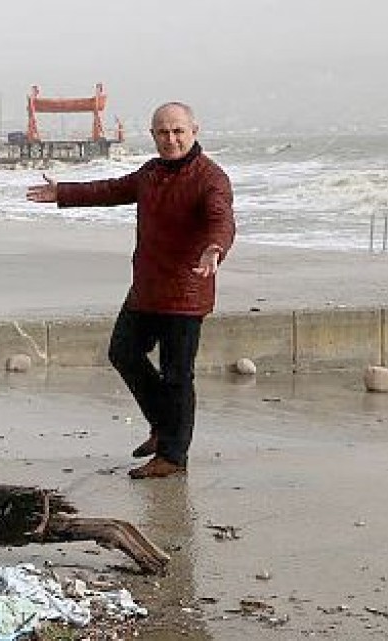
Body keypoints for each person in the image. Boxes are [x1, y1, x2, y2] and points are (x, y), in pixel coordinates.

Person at [25, 102, 235, 479]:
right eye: (162, 132)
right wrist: (63, 193)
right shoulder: (151, 173)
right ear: (153, 135)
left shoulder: (210, 177)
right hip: (147, 287)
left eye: (177, 131)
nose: (170, 139)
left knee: (177, 375)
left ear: (194, 130)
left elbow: (222, 218)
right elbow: (111, 189)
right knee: (123, 352)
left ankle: (172, 456)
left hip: (186, 292)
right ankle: (162, 426)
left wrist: (214, 248)